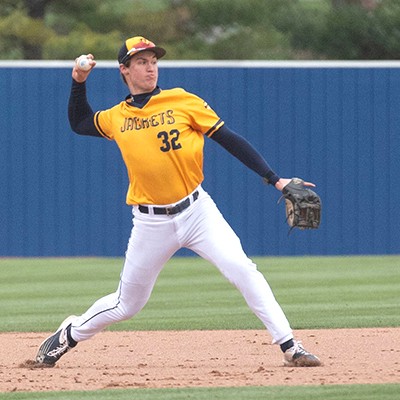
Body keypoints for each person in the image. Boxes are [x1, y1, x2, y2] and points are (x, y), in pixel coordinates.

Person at [35, 36, 321, 368]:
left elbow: (229, 139)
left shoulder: (182, 100)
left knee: (243, 269)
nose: (150, 67)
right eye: (141, 62)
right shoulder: (117, 117)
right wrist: (78, 82)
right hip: (150, 222)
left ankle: (290, 346)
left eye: (153, 60)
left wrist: (275, 179)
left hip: (198, 211)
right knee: (127, 305)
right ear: (124, 70)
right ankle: (69, 334)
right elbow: (80, 122)